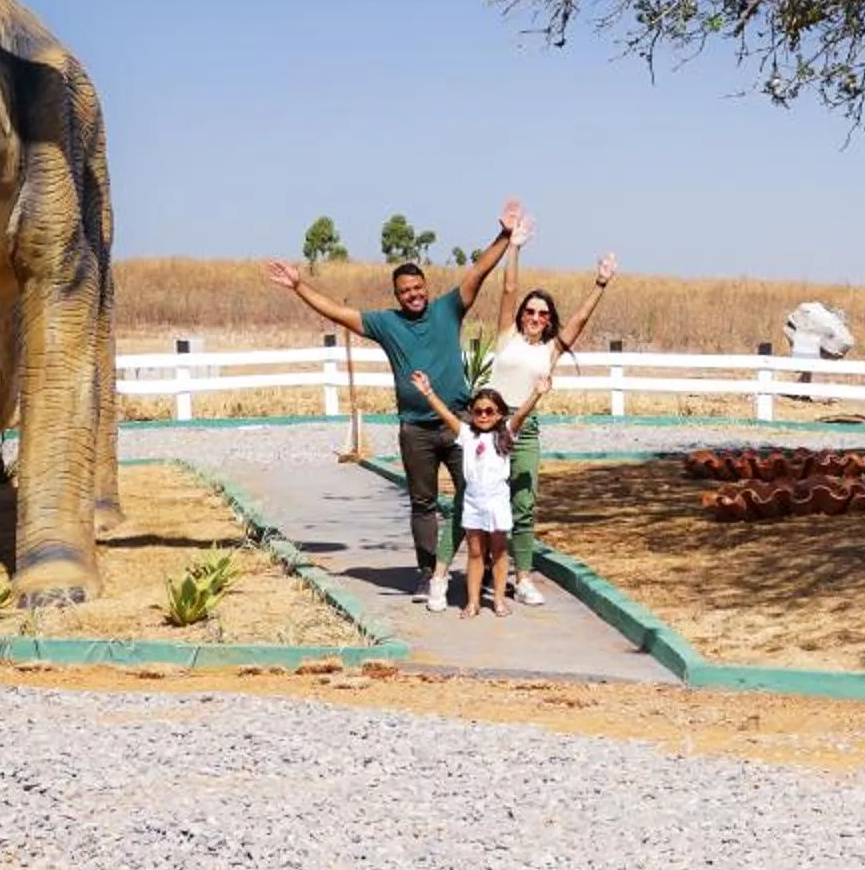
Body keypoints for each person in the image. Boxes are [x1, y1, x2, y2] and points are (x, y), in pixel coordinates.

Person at [262, 200, 523, 610]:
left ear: (426, 287)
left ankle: (484, 567)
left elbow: (478, 272)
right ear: (397, 295)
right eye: (405, 291)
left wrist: (504, 236)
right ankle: (428, 573)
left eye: (417, 288)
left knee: (475, 493)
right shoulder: (386, 323)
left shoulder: (448, 309)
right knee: (423, 503)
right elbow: (339, 313)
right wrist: (299, 287)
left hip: (459, 425)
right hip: (415, 429)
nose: (413, 295)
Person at [491, 234, 619, 604]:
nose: (535, 317)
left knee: (523, 505)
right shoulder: (506, 336)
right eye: (530, 311)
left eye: (543, 314)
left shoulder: (551, 349)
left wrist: (600, 284)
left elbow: (580, 319)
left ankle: (522, 578)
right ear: (521, 315)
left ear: (549, 321)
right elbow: (508, 289)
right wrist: (514, 246)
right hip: (490, 423)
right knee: (484, 501)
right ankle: (476, 572)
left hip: (525, 429)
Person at [410, 370, 548, 618]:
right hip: (473, 503)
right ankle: (473, 602)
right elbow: (446, 415)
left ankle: (498, 600)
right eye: (478, 411)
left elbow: (520, 414)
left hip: (497, 503)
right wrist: (428, 393)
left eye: (489, 411)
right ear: (471, 413)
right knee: (475, 552)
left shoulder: (506, 434)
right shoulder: (467, 435)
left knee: (499, 551)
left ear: (499, 414)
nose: (483, 416)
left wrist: (536, 394)